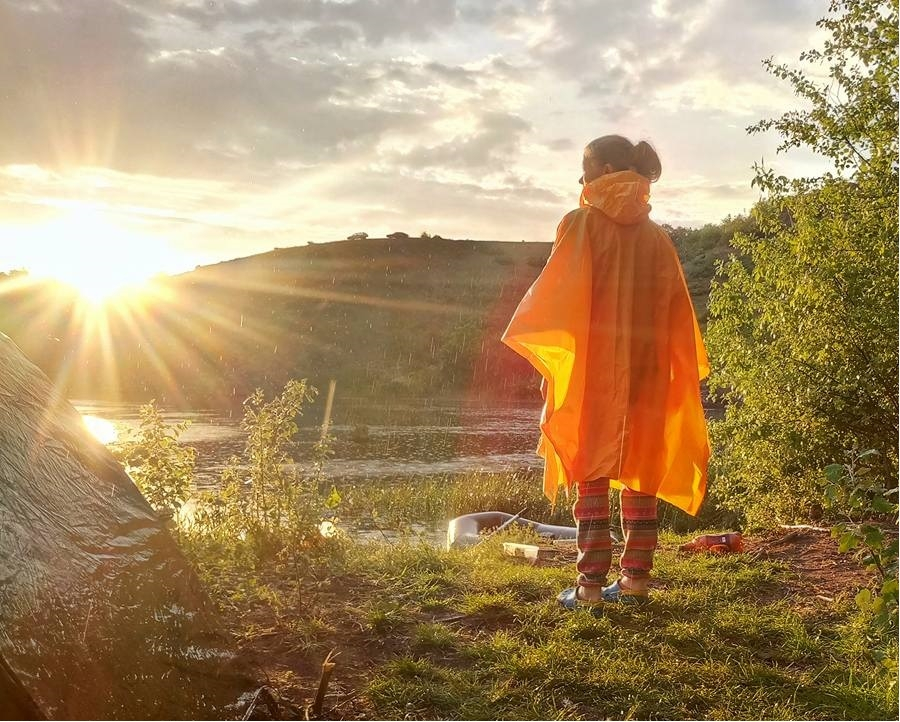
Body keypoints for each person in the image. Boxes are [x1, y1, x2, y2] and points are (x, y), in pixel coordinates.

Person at [501, 135, 710, 606]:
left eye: (588, 166)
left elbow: (558, 303)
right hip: (648, 373)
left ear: (608, 169)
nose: (582, 177)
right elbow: (676, 316)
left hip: (595, 371)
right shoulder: (657, 239)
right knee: (641, 471)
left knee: (590, 469)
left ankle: (590, 586)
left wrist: (556, 363)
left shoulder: (580, 224)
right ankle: (635, 581)